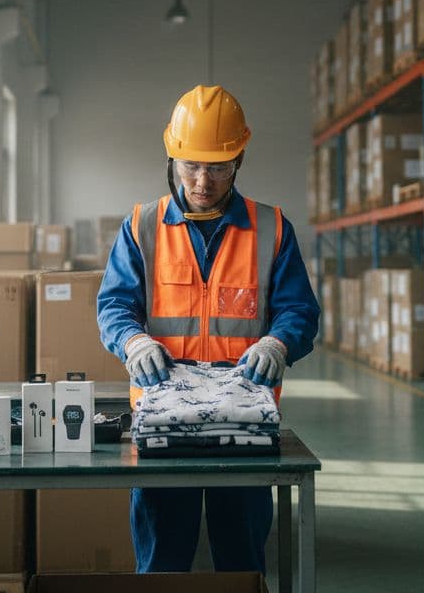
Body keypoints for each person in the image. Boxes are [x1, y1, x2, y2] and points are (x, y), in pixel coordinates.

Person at [97, 84, 320, 574]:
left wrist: (278, 341)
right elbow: (114, 304)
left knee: (241, 562)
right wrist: (132, 340)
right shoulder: (141, 226)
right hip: (160, 422)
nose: (203, 180)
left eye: (217, 166)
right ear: (171, 156)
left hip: (244, 422)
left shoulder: (273, 228)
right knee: (162, 563)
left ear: (238, 160)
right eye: (191, 164)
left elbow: (299, 310)